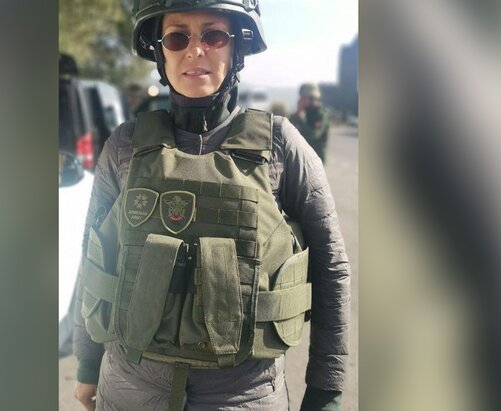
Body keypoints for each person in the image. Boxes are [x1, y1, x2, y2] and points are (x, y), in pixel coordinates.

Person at [73, 1, 350, 410]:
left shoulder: (281, 146)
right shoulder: (124, 145)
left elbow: (330, 267)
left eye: (214, 35)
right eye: (177, 37)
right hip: (129, 388)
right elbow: (94, 256)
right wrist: (86, 363)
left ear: (236, 47)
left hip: (244, 395)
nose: (195, 50)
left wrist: (327, 390)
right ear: (159, 50)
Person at [289, 83, 330, 163]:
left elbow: (313, 135)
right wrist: (297, 113)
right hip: (301, 158)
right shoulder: (303, 112)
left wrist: (301, 119)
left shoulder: (321, 114)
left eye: (308, 98)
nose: (306, 101)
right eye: (303, 98)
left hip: (316, 160)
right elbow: (288, 130)